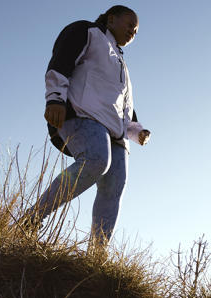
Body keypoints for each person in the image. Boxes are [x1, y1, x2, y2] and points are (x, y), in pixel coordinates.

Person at [25, 5, 150, 247]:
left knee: (114, 188)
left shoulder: (122, 65)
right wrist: (55, 98)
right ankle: (32, 218)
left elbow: (125, 106)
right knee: (96, 160)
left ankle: (97, 257)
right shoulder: (87, 31)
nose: (132, 32)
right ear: (111, 18)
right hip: (83, 115)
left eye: (136, 30)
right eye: (129, 25)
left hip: (116, 134)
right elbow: (61, 60)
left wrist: (137, 130)